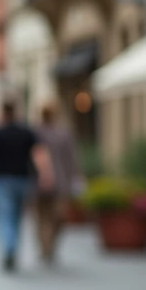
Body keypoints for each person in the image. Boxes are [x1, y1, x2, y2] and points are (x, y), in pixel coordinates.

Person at [0, 101, 53, 272]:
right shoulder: (26, 132)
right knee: (16, 216)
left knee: (4, 215)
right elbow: (38, 155)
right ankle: (13, 248)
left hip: (3, 180)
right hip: (23, 180)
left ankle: (9, 248)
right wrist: (45, 175)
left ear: (3, 113)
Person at [34, 102, 83, 265]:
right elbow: (73, 158)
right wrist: (76, 177)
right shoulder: (59, 133)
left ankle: (46, 246)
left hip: (41, 182)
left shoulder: (37, 133)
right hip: (58, 182)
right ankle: (48, 246)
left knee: (44, 217)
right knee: (55, 216)